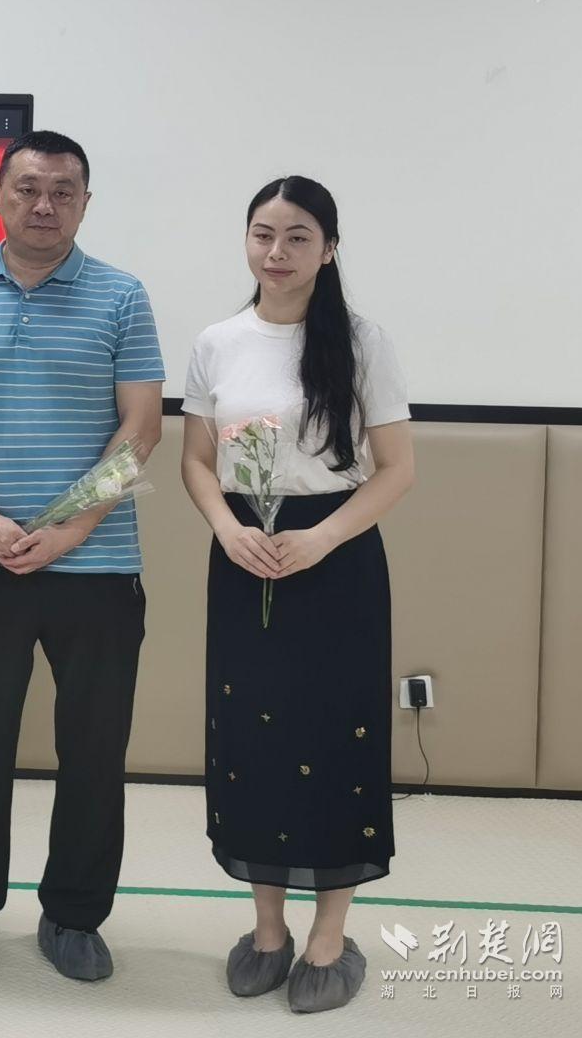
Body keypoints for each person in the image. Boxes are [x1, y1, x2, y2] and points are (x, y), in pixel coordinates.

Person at [0, 130, 163, 981]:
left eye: (63, 191)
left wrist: (71, 530)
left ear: (85, 202)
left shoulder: (122, 296)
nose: (44, 205)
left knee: (94, 747)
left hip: (97, 567)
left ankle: (75, 916)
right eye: (27, 188)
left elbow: (142, 428)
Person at [181, 176, 413, 1015]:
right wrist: (225, 527)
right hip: (243, 552)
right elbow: (196, 461)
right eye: (262, 234)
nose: (276, 253)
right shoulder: (217, 341)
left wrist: (321, 538)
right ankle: (268, 930)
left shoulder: (362, 341)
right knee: (252, 737)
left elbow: (397, 470)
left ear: (330, 247)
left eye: (297, 237)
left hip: (335, 557)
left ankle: (329, 938)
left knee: (335, 737)